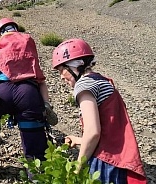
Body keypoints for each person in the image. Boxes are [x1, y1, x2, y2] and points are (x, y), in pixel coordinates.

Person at [52, 38, 146, 183]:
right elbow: (107, 130)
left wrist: (77, 167)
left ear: (75, 65)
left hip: (105, 161)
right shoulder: (101, 81)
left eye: (62, 70)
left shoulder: (83, 86)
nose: (61, 76)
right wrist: (78, 140)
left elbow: (93, 132)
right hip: (118, 159)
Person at [0, 37, 55, 178]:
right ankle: (36, 173)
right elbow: (41, 82)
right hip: (28, 93)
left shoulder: (0, 44)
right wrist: (45, 104)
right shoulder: (28, 48)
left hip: (2, 90)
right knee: (32, 131)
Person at [0, 18, 57, 125]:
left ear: (0, 32)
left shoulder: (1, 39)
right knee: (42, 82)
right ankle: (46, 104)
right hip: (28, 66)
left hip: (5, 63)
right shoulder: (28, 37)